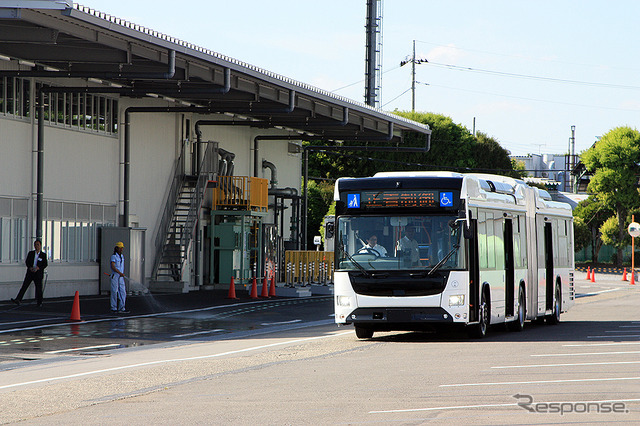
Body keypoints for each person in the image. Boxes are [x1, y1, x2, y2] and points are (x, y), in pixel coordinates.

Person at [12, 239, 48, 307]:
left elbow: (45, 264)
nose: (36, 246)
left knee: (38, 288)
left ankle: (39, 302)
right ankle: (18, 299)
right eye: (35, 245)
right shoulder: (31, 253)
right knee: (24, 286)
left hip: (38, 274)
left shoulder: (43, 255)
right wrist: (30, 267)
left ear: (40, 246)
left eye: (38, 245)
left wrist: (38, 268)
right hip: (30, 273)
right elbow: (27, 262)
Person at [110, 241, 128, 313]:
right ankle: (113, 307)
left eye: (122, 248)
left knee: (123, 292)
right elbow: (113, 266)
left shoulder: (122, 256)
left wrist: (121, 274)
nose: (121, 249)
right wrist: (120, 273)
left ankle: (122, 307)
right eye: (120, 248)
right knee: (114, 291)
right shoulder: (113, 256)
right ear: (117, 248)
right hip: (115, 275)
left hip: (121, 277)